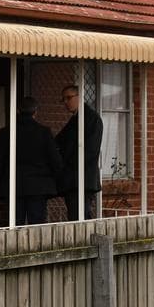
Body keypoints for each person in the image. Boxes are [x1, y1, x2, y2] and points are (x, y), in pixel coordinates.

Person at [0, 96, 63, 225]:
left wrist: (3, 177)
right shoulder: (44, 132)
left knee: (15, 224)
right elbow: (56, 161)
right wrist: (51, 179)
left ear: (18, 110)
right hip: (38, 186)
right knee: (37, 224)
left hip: (14, 184)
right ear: (36, 112)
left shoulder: (7, 132)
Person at [55, 84, 103, 220]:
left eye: (68, 98)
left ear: (79, 97)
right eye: (63, 99)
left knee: (79, 216)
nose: (65, 102)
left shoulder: (91, 118)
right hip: (74, 178)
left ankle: (85, 240)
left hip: (82, 177)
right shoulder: (76, 119)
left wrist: (67, 163)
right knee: (76, 214)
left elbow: (91, 150)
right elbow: (58, 141)